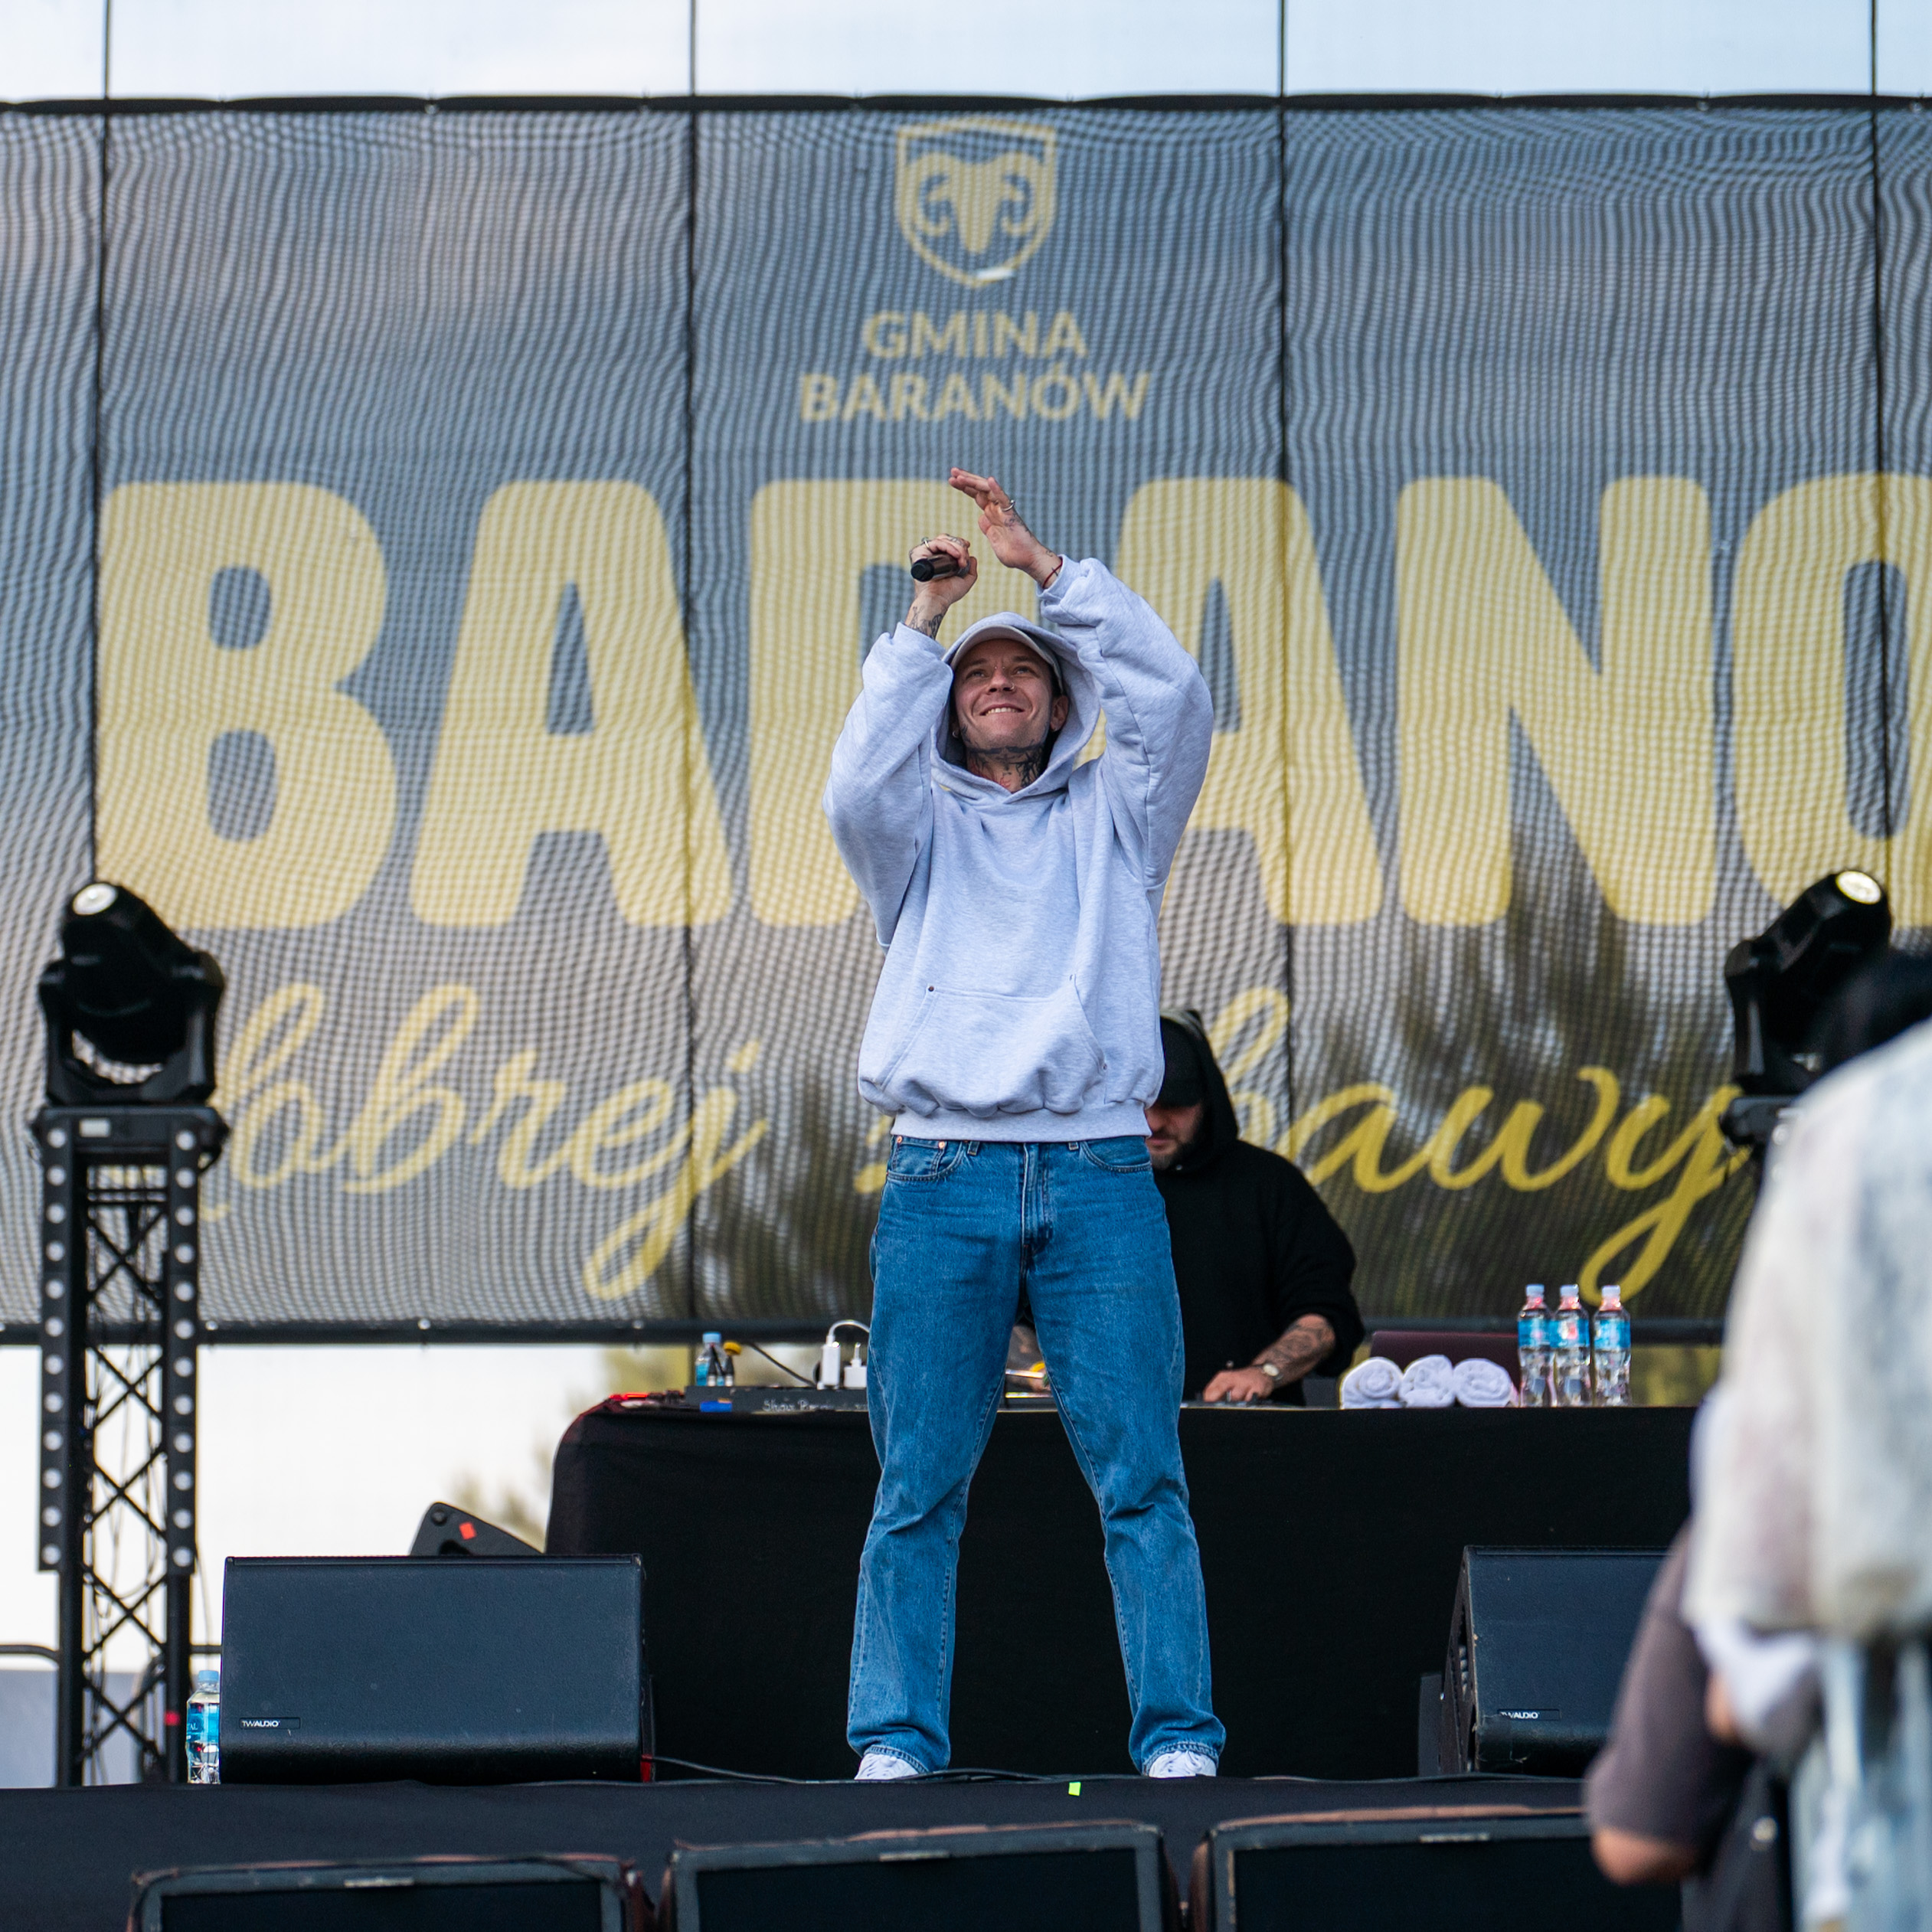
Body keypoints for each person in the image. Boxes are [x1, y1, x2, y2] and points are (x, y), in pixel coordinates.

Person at [824, 466, 1221, 1783]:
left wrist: (1048, 575)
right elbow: (852, 786)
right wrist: (925, 619)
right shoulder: (912, 829)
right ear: (948, 705)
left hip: (1098, 1165)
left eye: (1024, 672)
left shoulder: (1118, 815)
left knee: (1141, 1475)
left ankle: (1177, 1740)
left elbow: (1175, 699)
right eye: (976, 675)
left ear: (1060, 702)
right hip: (942, 1168)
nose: (997, 684)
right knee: (916, 1481)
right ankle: (895, 1741)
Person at [1145, 1012, 1362, 1403]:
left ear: (1207, 1098)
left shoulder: (1270, 1185)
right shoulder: (1083, 1189)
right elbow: (1026, 1309)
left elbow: (1326, 1313)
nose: (1155, 1122)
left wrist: (1265, 1372)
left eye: (1175, 1104)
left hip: (1247, 1426)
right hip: (1102, 1431)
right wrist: (1040, 1372)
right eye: (1141, 1103)